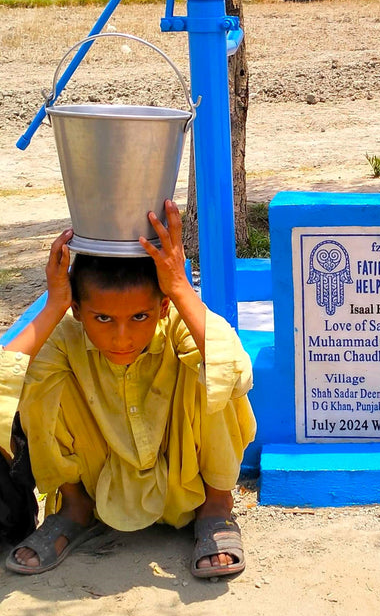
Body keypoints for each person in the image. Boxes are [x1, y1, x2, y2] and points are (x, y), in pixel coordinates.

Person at [1, 201, 256, 577]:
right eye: (102, 318)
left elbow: (238, 375)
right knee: (33, 377)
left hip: (180, 480)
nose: (122, 337)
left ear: (162, 306)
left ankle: (216, 507)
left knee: (216, 366)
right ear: (78, 311)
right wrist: (55, 304)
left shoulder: (177, 323)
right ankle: (74, 507)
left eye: (140, 316)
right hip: (100, 478)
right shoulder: (67, 334)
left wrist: (182, 288)